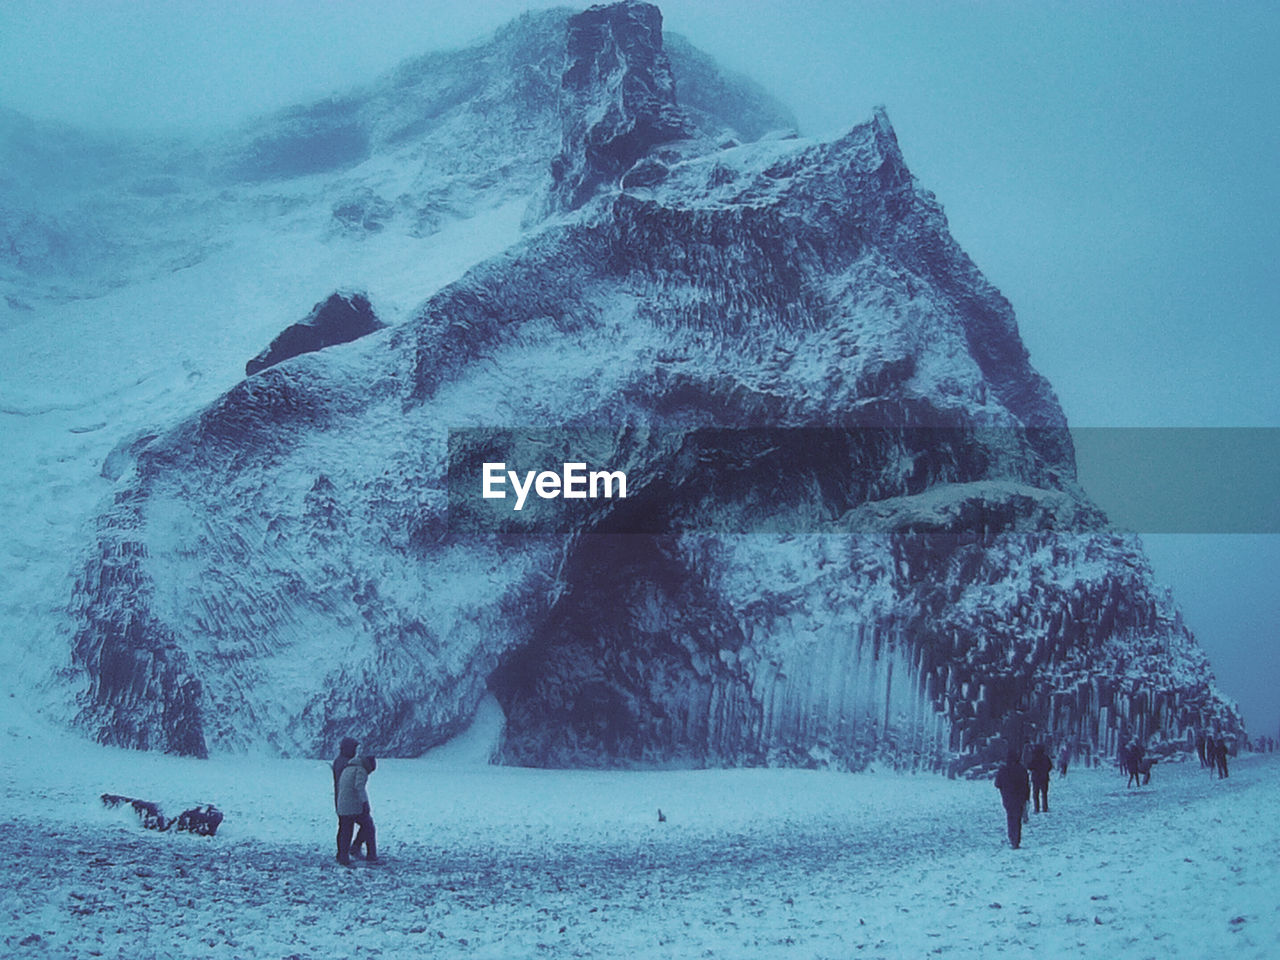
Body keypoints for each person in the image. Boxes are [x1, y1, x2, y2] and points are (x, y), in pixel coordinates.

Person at [336, 755, 378, 865]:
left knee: (345, 830)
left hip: (342, 804)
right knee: (369, 827)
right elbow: (359, 787)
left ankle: (343, 856)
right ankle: (370, 855)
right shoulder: (360, 770)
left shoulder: (347, 768)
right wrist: (365, 803)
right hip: (354, 806)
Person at [994, 749, 1031, 849]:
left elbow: (997, 784)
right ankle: (1017, 839)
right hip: (1020, 797)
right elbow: (1026, 784)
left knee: (1010, 817)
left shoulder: (1003, 770)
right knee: (1018, 818)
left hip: (1008, 797)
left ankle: (1012, 837)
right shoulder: (1022, 769)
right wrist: (1027, 797)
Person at [332, 737, 358, 861]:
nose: (355, 750)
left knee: (344, 826)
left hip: (341, 800)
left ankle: (342, 853)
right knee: (347, 827)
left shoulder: (340, 761)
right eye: (353, 748)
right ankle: (344, 854)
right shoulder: (345, 763)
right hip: (346, 800)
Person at [1028, 744, 1053, 812]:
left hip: (1036, 777)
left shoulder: (1034, 758)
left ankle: (1037, 808)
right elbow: (1050, 766)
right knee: (1044, 793)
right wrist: (1045, 771)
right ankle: (1045, 807)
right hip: (1044, 777)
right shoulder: (1045, 757)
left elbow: (1029, 766)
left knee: (1035, 794)